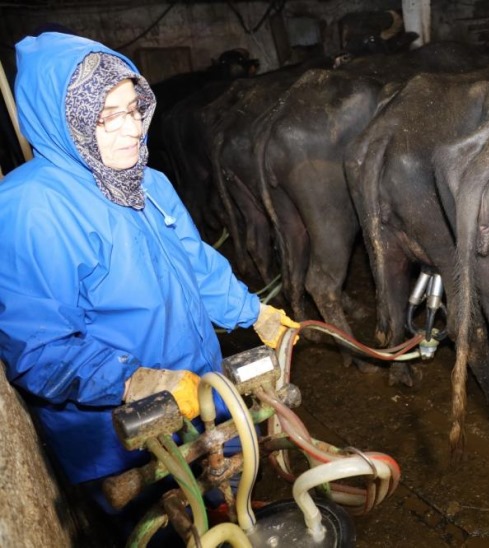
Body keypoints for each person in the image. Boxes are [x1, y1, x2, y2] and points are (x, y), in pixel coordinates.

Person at [0, 31, 289, 540]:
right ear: (65, 124)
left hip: (196, 391)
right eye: (105, 117)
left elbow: (196, 263)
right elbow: (38, 348)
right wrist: (134, 382)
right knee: (158, 530)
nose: (132, 128)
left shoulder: (148, 182)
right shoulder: (29, 209)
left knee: (223, 498)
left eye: (134, 108)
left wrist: (252, 313)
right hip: (118, 434)